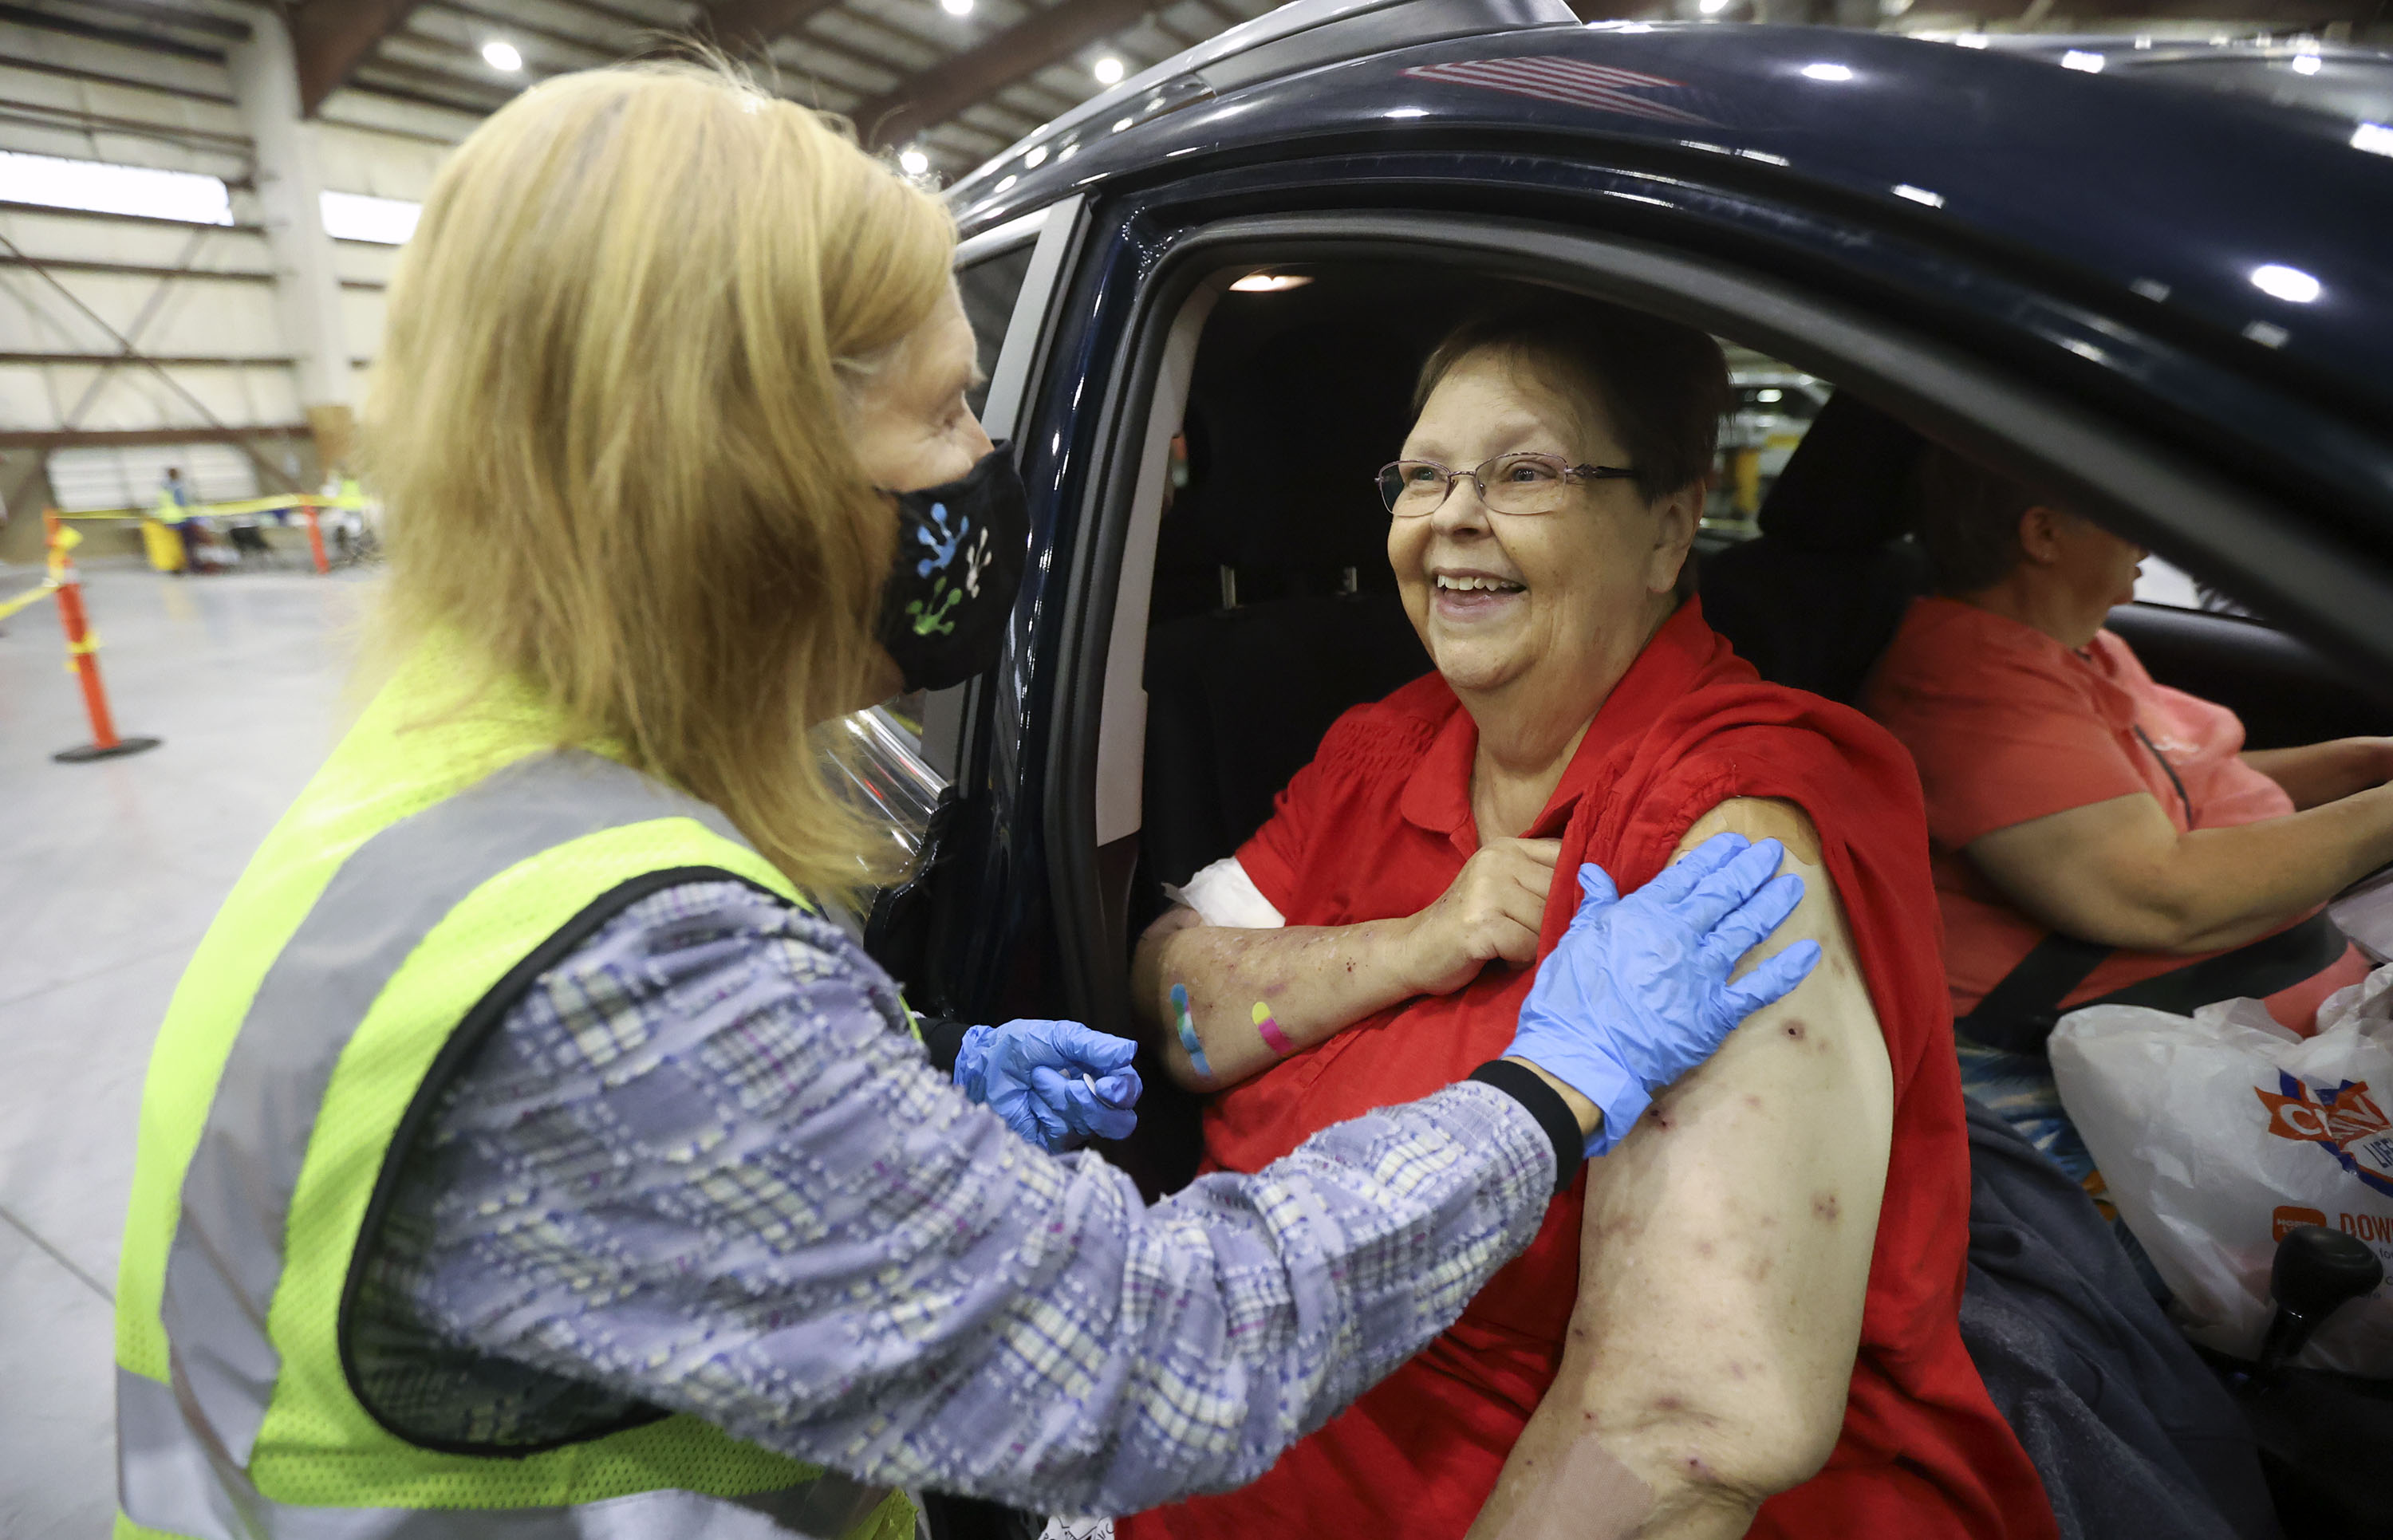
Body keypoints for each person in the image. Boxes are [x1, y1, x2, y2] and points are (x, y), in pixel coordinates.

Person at [108, 65, 1820, 1540]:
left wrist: (907, 1097)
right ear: (738, 476)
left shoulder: (471, 782)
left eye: (1522, 475)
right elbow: (1161, 1352)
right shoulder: (625, 963)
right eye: (943, 414)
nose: (987, 476)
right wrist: (1550, 1078)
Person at [1122, 301, 2052, 1540]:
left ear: (1669, 530)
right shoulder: (1383, 744)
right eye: (1424, 475)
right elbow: (1178, 997)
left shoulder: (1728, 835)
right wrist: (1413, 942)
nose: (1453, 514)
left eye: (1524, 472)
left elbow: (1685, 1436)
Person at [1863, 445, 2393, 1186]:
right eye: (2125, 510)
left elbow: (2164, 785)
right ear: (2044, 534)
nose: (2147, 535)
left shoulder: (2078, 648)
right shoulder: (1971, 685)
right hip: (2125, 1063)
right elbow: (2157, 891)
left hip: (2276, 1025)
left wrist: (2362, 765)